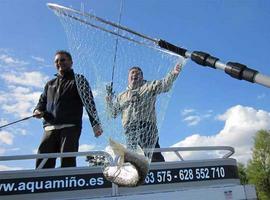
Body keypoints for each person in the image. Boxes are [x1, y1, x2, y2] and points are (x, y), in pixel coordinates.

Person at [34, 50, 103, 168]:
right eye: (56, 61)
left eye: (62, 60)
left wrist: (95, 124)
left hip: (70, 128)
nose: (59, 63)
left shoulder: (79, 80)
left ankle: (67, 185)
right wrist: (37, 111)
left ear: (71, 62)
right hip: (49, 129)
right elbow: (41, 103)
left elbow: (89, 103)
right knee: (42, 162)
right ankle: (42, 185)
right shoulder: (49, 84)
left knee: (67, 161)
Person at [106, 62, 182, 162]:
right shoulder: (121, 96)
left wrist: (174, 73)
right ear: (128, 78)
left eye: (138, 73)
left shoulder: (149, 86)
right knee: (134, 159)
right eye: (132, 73)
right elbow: (113, 114)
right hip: (130, 131)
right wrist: (109, 101)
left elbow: (165, 84)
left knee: (153, 156)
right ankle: (139, 176)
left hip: (147, 127)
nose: (135, 75)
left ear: (142, 77)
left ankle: (160, 173)